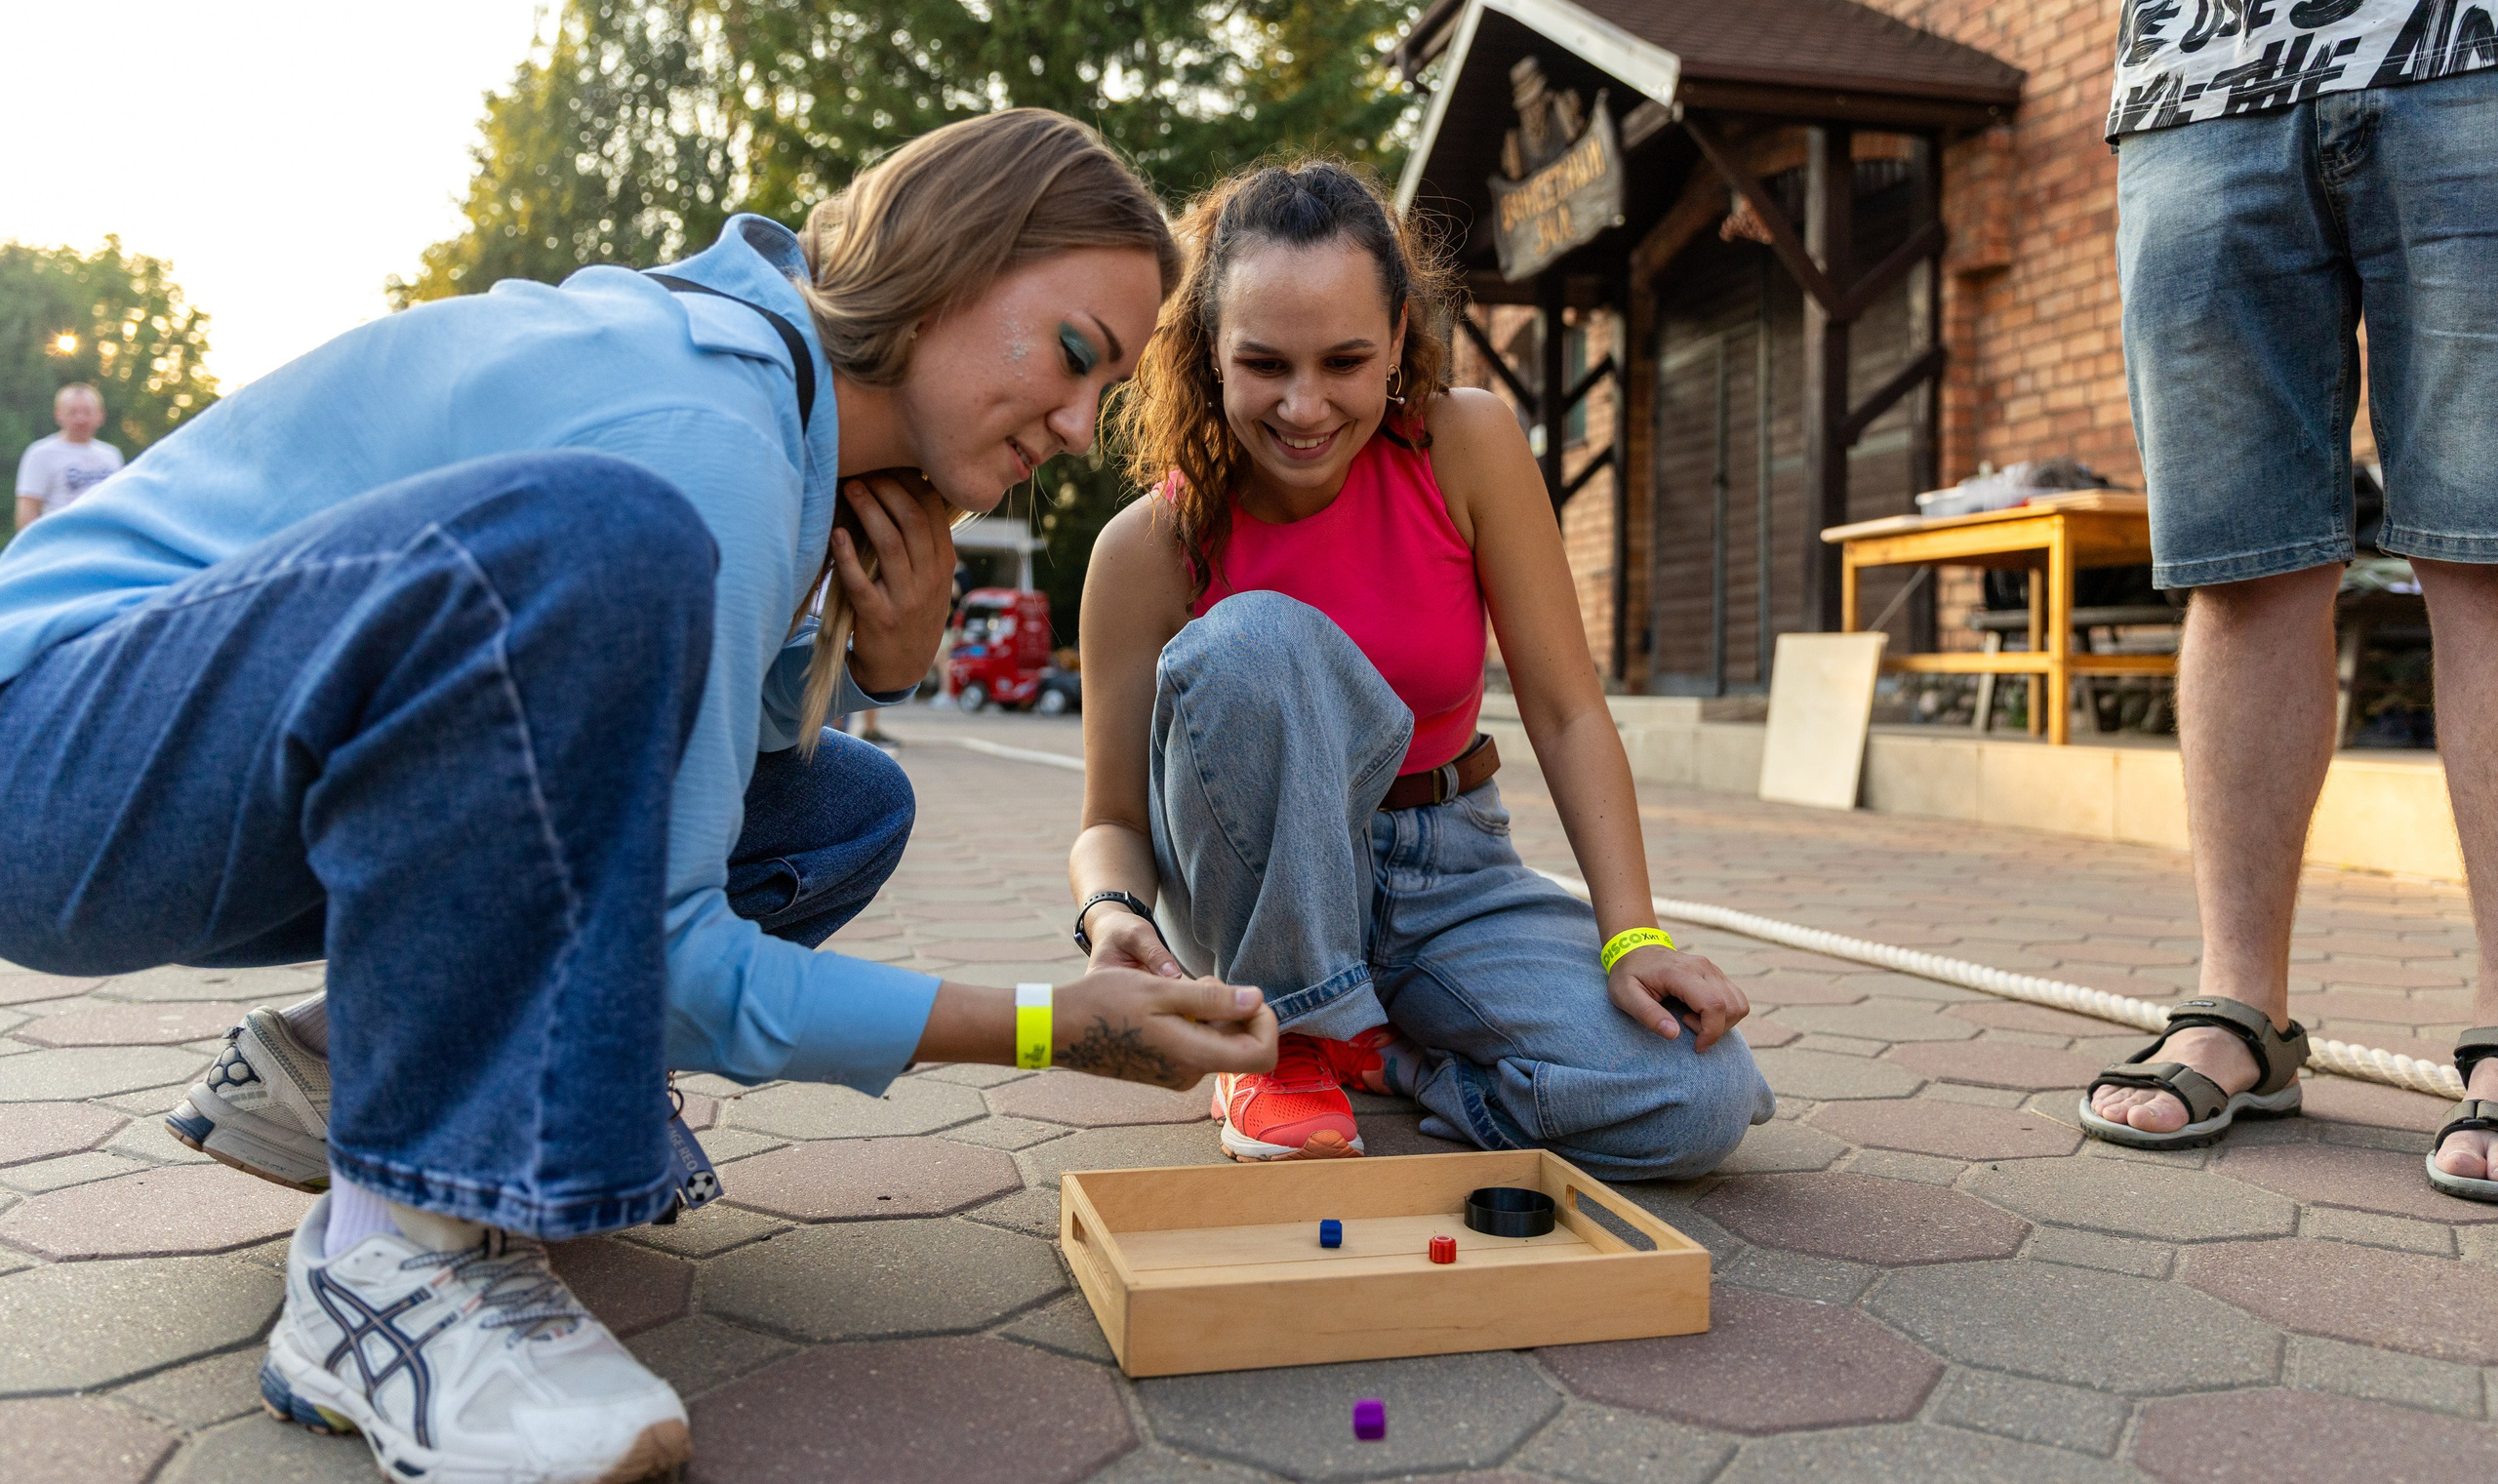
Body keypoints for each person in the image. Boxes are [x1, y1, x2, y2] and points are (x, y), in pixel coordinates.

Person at [0, 108, 1277, 1484]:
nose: (1082, 425)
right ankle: (393, 1261)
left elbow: (682, 781)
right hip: (58, 757)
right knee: (607, 538)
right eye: (1076, 354)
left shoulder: (773, 402)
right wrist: (1049, 1024)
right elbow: (661, 960)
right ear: (948, 260)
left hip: (185, 763)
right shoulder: (709, 425)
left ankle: (342, 1068)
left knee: (836, 805)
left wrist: (887, 659)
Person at [1948, 0, 2498, 1191]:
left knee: (2486, 554)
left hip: (2474, 31)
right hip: (2208, 76)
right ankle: (2238, 1006)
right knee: (2244, 567)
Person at [1068, 160, 1774, 1178]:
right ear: (1206, 353)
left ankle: (1391, 1062)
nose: (1304, 407)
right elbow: (1111, 825)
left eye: (1344, 360)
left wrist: (1634, 941)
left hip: (1449, 867)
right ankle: (1283, 1041)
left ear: (1399, 337)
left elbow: (1568, 712)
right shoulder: (1147, 547)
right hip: (1260, 894)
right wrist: (1111, 916)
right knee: (1258, 639)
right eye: (1264, 363)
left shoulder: (1466, 443)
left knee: (1696, 1097)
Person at [14, 381, 123, 530]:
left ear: (101, 415)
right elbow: (28, 508)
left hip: (104, 540)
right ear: (58, 414)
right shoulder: (41, 453)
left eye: (87, 412)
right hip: (62, 541)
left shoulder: (112, 455)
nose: (80, 419)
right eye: (73, 412)